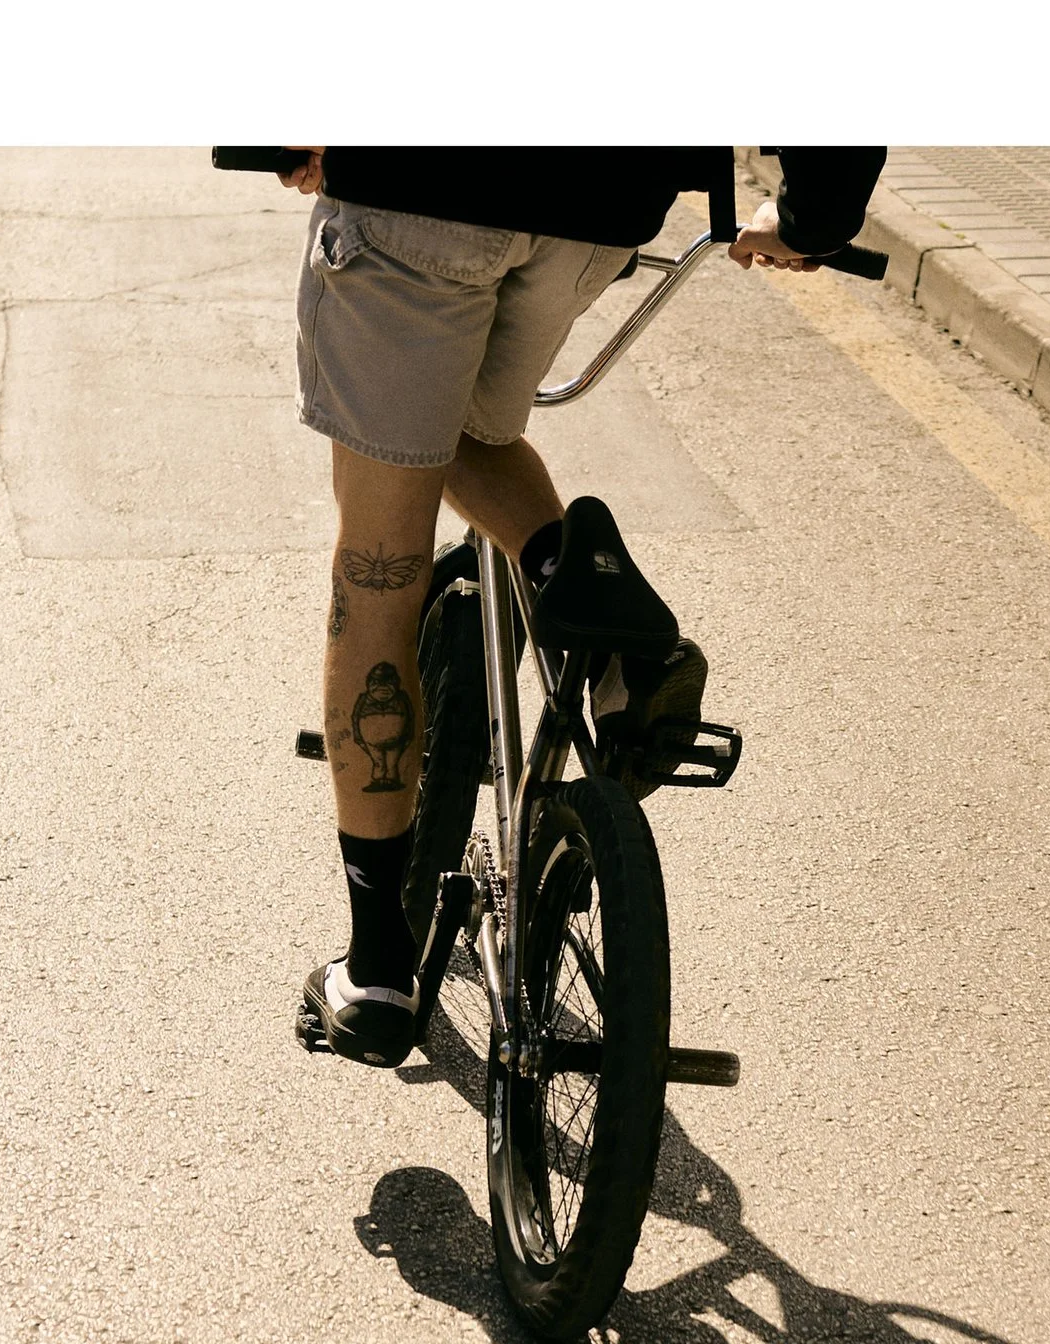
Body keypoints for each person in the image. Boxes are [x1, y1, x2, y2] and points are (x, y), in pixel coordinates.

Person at [280, 146, 886, 1066]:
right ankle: (592, 594)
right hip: (597, 207)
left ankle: (376, 972)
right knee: (469, 431)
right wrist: (813, 215)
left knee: (380, 568)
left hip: (417, 184)